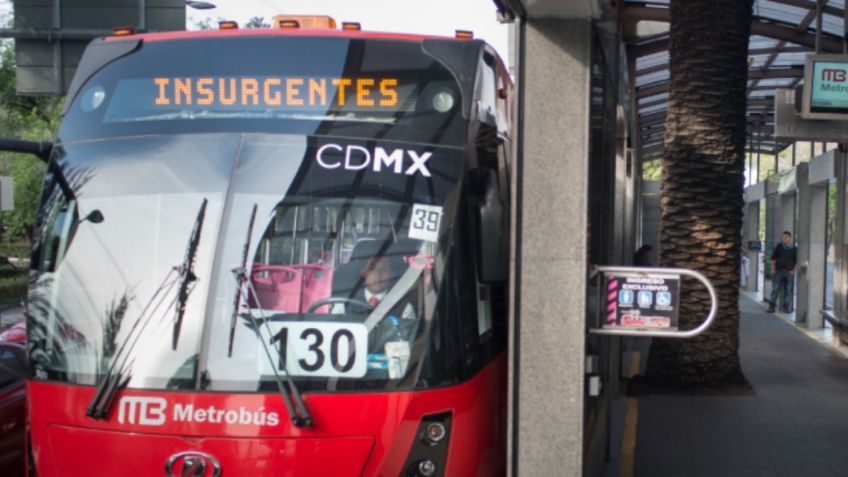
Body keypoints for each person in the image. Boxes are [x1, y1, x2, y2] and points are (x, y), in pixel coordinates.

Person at [768, 231, 797, 313]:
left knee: (789, 290)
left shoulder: (794, 248)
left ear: (790, 238)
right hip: (778, 272)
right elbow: (773, 259)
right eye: (783, 237)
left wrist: (793, 270)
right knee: (775, 289)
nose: (784, 238)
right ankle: (771, 306)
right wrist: (773, 269)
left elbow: (796, 261)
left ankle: (786, 307)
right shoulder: (778, 247)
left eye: (786, 237)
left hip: (789, 273)